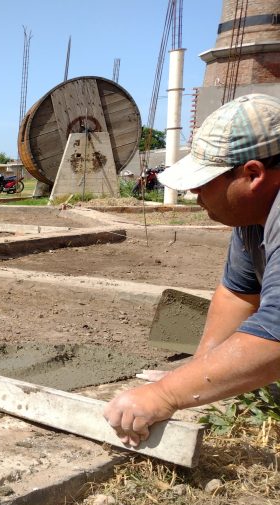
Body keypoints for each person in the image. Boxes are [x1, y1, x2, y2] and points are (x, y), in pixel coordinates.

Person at [104, 93, 280, 447]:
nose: (195, 194)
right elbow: (238, 294)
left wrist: (165, 394)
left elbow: (276, 334)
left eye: (204, 181)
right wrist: (198, 372)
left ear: (252, 174)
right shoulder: (252, 216)